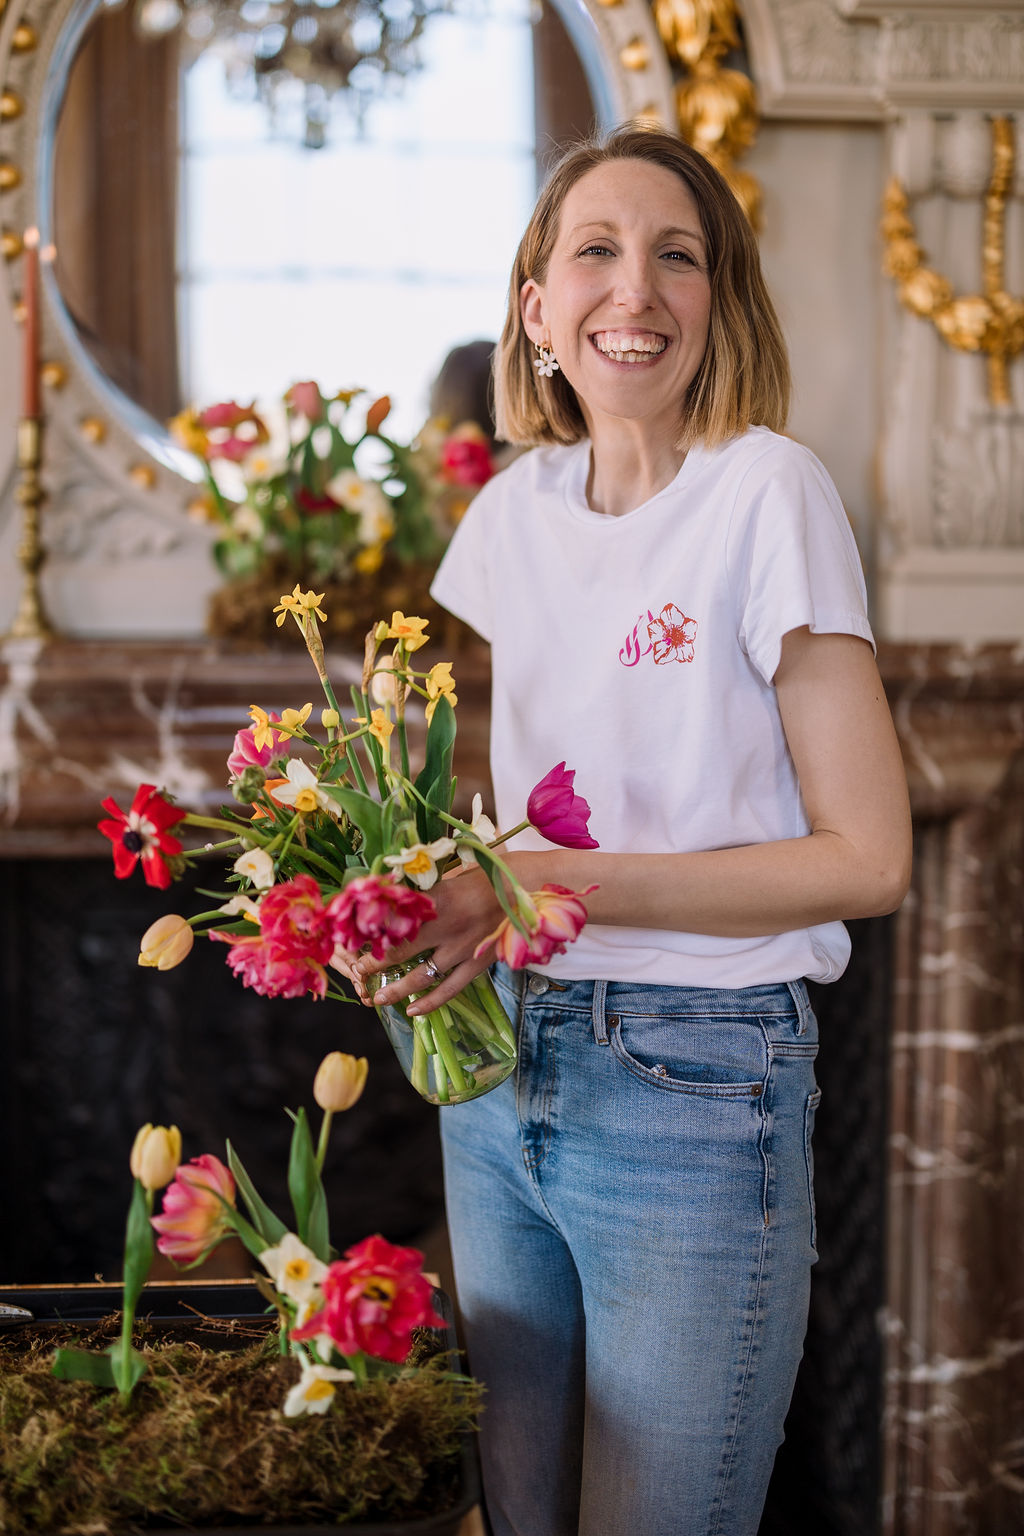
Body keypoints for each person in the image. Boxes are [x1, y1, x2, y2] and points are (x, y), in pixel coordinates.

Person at [351, 126, 912, 1536]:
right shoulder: (509, 515)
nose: (636, 290)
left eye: (680, 256)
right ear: (536, 310)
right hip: (498, 1079)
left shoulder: (768, 491)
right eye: (593, 252)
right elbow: (500, 816)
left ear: (720, 303)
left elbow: (867, 856)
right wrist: (408, 911)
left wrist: (545, 886)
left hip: (697, 1084)